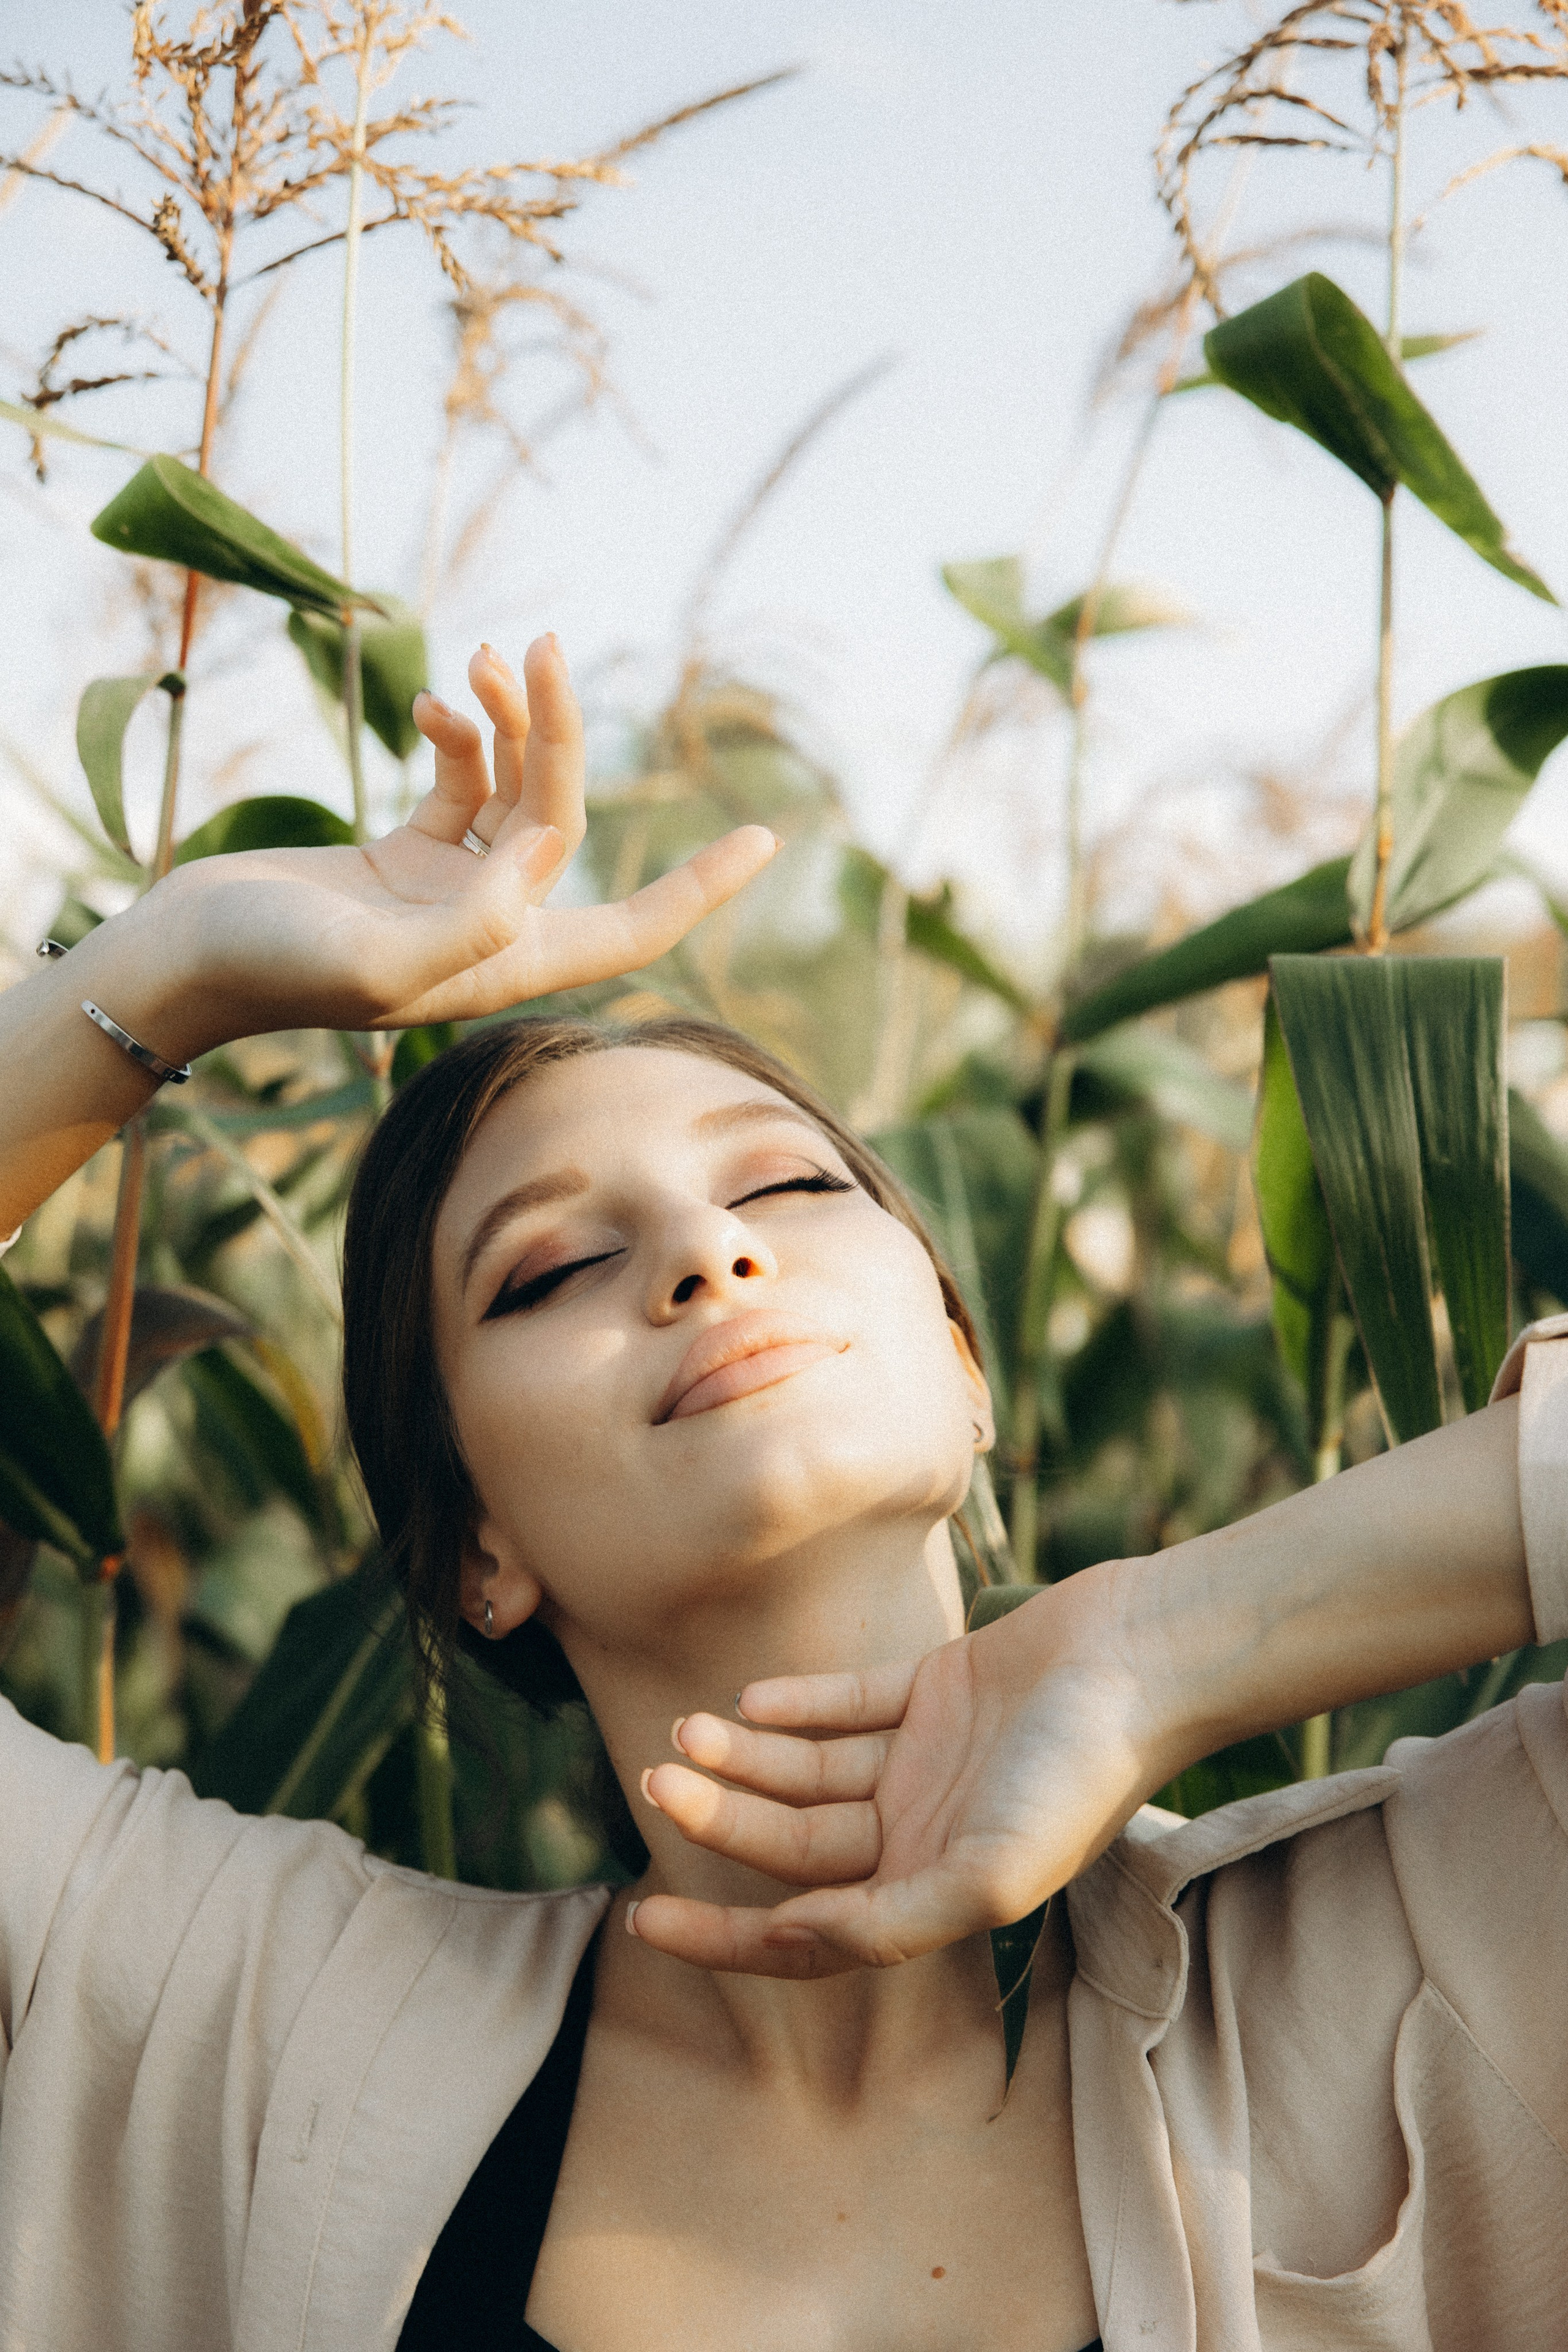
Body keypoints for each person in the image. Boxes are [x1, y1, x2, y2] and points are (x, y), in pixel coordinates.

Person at [0, 636, 1564, 2352]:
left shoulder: (1429, 1959)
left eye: (789, 1185)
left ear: (968, 1374)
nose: (702, 1250)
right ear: (473, 1552)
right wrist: (176, 967)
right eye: (550, 1270)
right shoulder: (254, 2027)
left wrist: (1163, 1640)